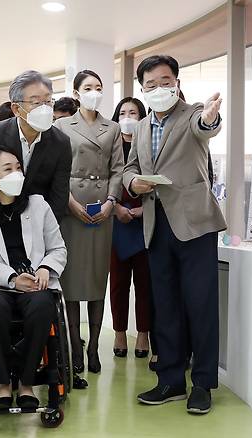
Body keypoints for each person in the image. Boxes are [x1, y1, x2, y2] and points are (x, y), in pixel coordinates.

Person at [123, 55, 225, 415]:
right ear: (142, 89)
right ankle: (170, 381)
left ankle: (202, 384)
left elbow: (205, 126)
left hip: (194, 223)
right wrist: (131, 182)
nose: (158, 89)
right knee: (164, 305)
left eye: (165, 81)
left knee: (200, 306)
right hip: (155, 223)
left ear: (177, 82)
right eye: (150, 85)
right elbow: (129, 168)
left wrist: (211, 118)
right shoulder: (139, 127)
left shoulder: (192, 113)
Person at [0, 146, 67, 409]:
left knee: (43, 307)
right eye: (8, 169)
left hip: (35, 280)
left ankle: (27, 384)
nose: (17, 173)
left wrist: (45, 269)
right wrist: (11, 278)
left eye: (18, 167)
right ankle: (3, 385)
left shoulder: (38, 205)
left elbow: (58, 248)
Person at [54, 70, 124, 374]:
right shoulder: (60, 126)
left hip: (101, 211)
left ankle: (94, 347)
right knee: (70, 280)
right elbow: (56, 170)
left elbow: (118, 169)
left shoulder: (113, 128)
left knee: (97, 279)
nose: (94, 92)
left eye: (99, 87)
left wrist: (111, 202)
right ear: (76, 92)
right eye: (88, 88)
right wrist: (69, 202)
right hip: (71, 206)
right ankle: (75, 348)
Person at [0, 71, 72, 222]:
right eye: (36, 103)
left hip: (39, 221)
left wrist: (48, 230)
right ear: (16, 109)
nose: (44, 108)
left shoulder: (61, 142)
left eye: (48, 101)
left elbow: (59, 195)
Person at [109, 97, 153, 360]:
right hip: (117, 220)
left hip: (146, 220)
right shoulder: (112, 146)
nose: (128, 117)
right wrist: (116, 208)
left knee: (145, 283)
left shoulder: (149, 144)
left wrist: (143, 210)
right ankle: (119, 333)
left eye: (133, 112)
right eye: (123, 112)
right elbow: (105, 178)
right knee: (118, 283)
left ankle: (144, 334)